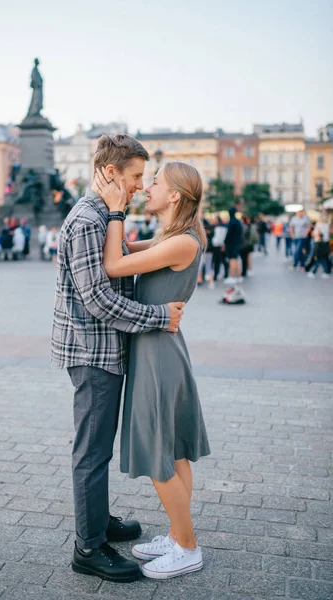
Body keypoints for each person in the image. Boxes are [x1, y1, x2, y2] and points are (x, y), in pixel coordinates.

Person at [50, 134, 185, 583]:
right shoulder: (90, 219)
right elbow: (98, 299)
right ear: (110, 173)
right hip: (92, 351)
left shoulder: (105, 216)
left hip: (103, 349)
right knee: (91, 451)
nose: (137, 185)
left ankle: (97, 520)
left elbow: (123, 258)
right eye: (133, 177)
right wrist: (158, 316)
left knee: (98, 448)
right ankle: (88, 547)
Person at [94, 161, 210, 580]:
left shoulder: (182, 242)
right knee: (174, 452)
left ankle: (189, 547)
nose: (147, 188)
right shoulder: (171, 237)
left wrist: (115, 211)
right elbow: (123, 251)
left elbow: (112, 265)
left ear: (175, 195)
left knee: (159, 455)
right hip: (159, 349)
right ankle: (179, 537)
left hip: (158, 356)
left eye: (154, 182)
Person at [224, 206, 243, 284]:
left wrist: (225, 241)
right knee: (236, 260)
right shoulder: (238, 221)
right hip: (237, 243)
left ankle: (232, 276)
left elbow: (228, 234)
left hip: (231, 244)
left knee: (232, 260)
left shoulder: (231, 222)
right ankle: (239, 276)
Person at [211, 215, 228, 281]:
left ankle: (218, 274)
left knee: (219, 261)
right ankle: (219, 274)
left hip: (218, 246)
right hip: (219, 246)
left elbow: (220, 237)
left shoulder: (218, 227)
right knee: (219, 261)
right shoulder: (222, 226)